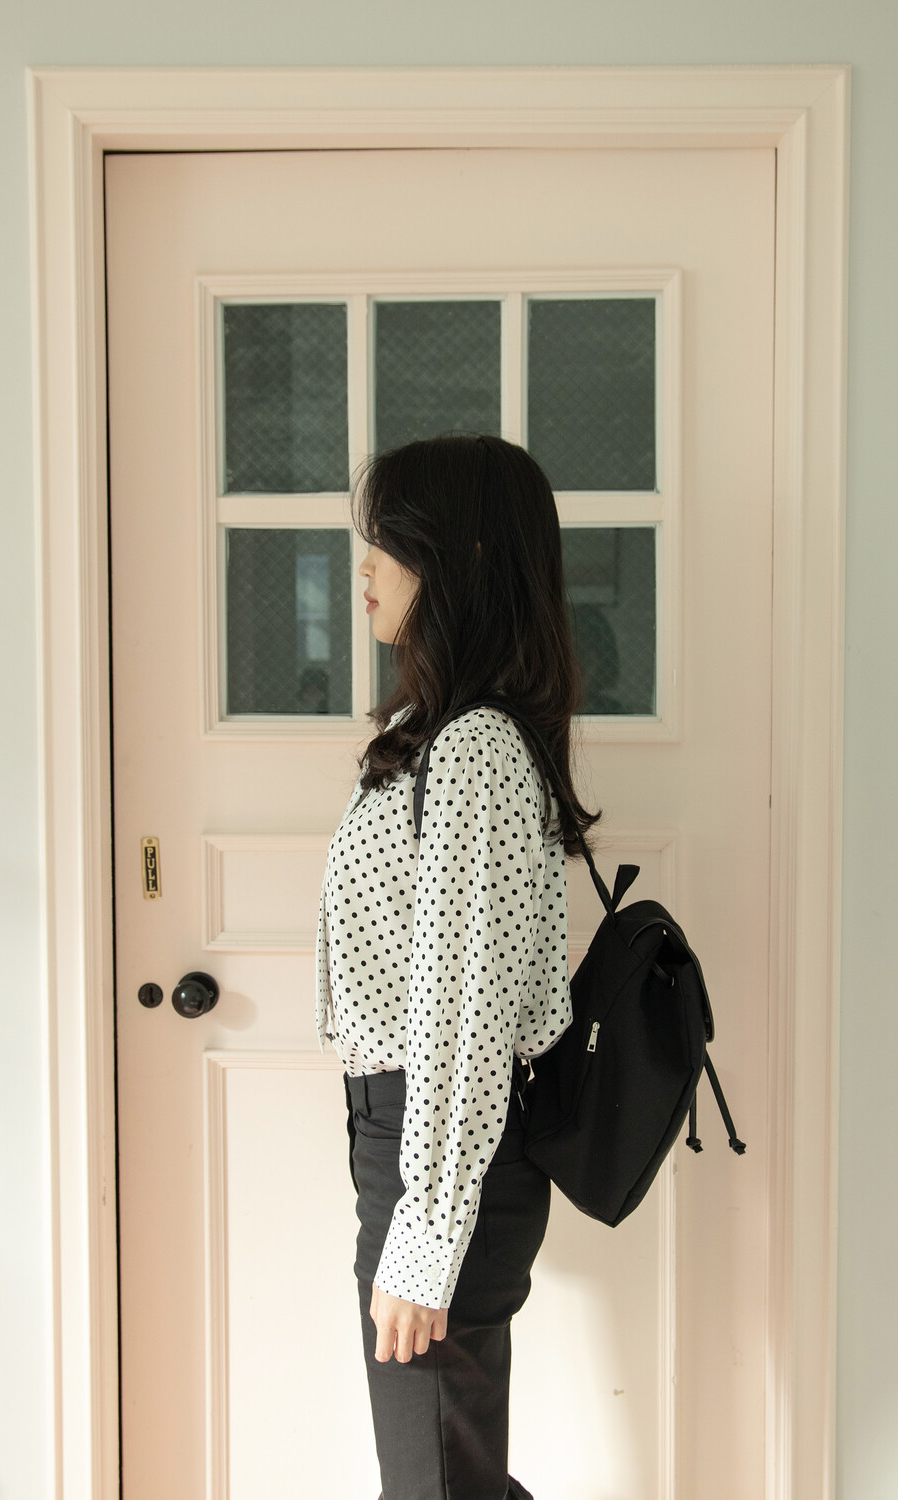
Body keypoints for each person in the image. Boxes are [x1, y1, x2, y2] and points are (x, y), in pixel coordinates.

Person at [314, 432, 603, 1500]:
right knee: (442, 1473)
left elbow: (465, 1014)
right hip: (414, 1145)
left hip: (436, 1150)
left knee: (435, 1481)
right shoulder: (440, 733)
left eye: (386, 541)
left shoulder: (473, 749)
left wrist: (427, 1234)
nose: (364, 565)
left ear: (459, 559)